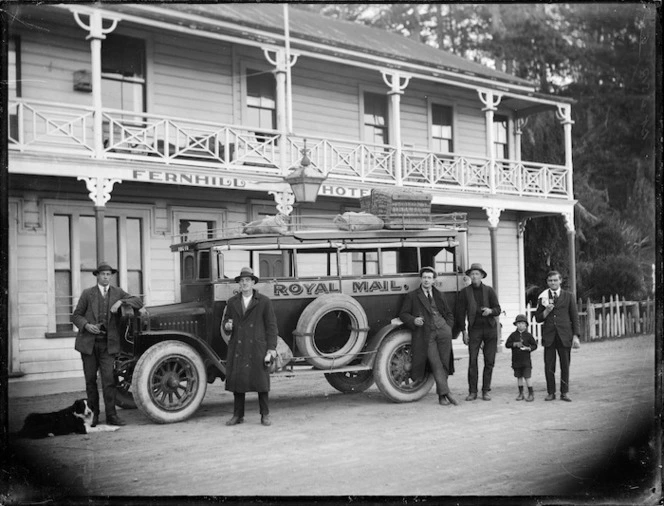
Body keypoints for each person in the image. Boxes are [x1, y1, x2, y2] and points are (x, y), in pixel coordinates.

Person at [72, 262, 144, 426]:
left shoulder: (118, 292)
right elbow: (76, 316)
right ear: (97, 276)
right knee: (90, 381)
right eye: (103, 274)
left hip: (108, 345)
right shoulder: (87, 294)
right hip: (88, 345)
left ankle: (111, 416)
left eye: (108, 274)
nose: (106, 277)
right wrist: (86, 325)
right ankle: (94, 416)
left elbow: (137, 301)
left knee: (109, 381)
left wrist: (121, 303)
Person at [223, 267, 278, 426]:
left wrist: (271, 348)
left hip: (257, 347)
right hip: (239, 346)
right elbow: (226, 322)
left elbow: (272, 326)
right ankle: (238, 415)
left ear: (253, 282)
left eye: (247, 280)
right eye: (242, 281)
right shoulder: (232, 302)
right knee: (238, 383)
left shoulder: (264, 301)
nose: (244, 283)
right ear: (239, 284)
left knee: (261, 382)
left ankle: (265, 414)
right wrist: (228, 325)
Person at [399, 266, 458, 406]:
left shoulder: (439, 295)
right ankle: (446, 392)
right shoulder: (412, 295)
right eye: (424, 277)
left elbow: (449, 314)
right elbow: (403, 314)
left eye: (429, 278)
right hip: (426, 334)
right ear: (421, 279)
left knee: (444, 363)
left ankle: (442, 397)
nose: (426, 280)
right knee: (436, 364)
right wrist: (414, 320)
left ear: (433, 280)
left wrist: (447, 327)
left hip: (443, 331)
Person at [456, 263, 501, 401]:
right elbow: (460, 313)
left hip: (490, 328)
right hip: (474, 329)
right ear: (469, 276)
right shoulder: (465, 292)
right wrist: (464, 331)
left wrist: (490, 311)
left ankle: (486, 390)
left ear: (482, 276)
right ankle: (473, 392)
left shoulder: (489, 291)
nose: (474, 276)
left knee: (489, 360)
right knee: (473, 360)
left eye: (477, 274)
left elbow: (498, 309)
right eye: (472, 274)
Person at [535, 270, 580, 402]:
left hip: (564, 335)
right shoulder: (543, 297)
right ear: (547, 282)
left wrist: (576, 336)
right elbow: (537, 318)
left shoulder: (568, 296)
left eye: (555, 280)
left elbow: (574, 317)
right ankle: (551, 392)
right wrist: (546, 311)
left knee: (565, 365)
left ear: (560, 281)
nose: (553, 283)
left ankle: (564, 392)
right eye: (550, 280)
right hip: (549, 336)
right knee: (549, 365)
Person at [505, 314, 538, 402]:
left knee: (527, 377)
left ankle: (531, 393)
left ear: (526, 325)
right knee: (519, 377)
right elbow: (507, 345)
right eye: (518, 323)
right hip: (516, 360)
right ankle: (521, 393)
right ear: (516, 324)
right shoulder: (513, 335)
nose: (520, 325)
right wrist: (514, 344)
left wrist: (529, 348)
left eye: (523, 323)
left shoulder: (528, 335)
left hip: (526, 361)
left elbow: (535, 345)